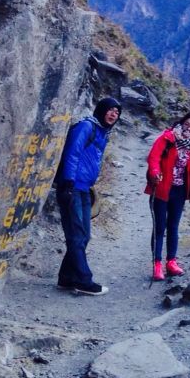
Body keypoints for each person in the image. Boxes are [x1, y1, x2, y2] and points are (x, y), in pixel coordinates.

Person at [55, 96, 121, 295]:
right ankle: (84, 281)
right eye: (111, 110)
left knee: (83, 235)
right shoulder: (86, 127)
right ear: (101, 110)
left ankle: (66, 278)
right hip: (72, 186)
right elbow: (72, 153)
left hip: (84, 188)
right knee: (77, 235)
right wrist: (67, 183)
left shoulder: (102, 133)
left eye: (117, 112)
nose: (114, 114)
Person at [144, 110, 190, 281]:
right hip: (162, 187)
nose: (189, 128)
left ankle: (171, 262)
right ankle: (157, 264)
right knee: (159, 227)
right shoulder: (168, 137)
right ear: (181, 124)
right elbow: (153, 157)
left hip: (179, 191)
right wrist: (155, 172)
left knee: (173, 227)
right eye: (187, 124)